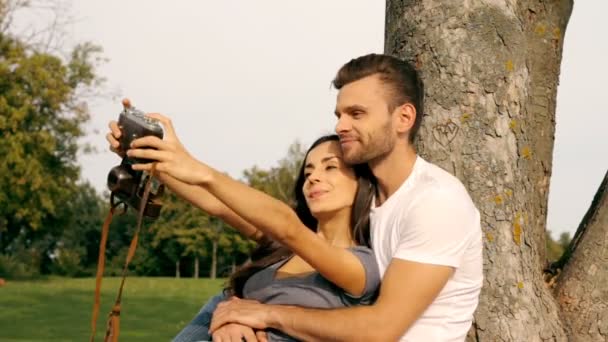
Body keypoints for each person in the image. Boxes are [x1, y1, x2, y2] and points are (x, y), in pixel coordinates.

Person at [206, 53, 484, 341]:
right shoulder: (367, 200)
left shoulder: (436, 201)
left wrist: (266, 314)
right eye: (339, 115)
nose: (340, 126)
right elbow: (268, 229)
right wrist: (236, 315)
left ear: (404, 118)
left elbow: (381, 329)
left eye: (357, 114)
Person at [107, 122, 381, 341]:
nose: (314, 177)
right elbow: (217, 204)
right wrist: (150, 159)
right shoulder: (281, 248)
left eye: (330, 167)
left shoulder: (361, 266)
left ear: (362, 183)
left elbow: (289, 227)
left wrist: (196, 167)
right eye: (308, 171)